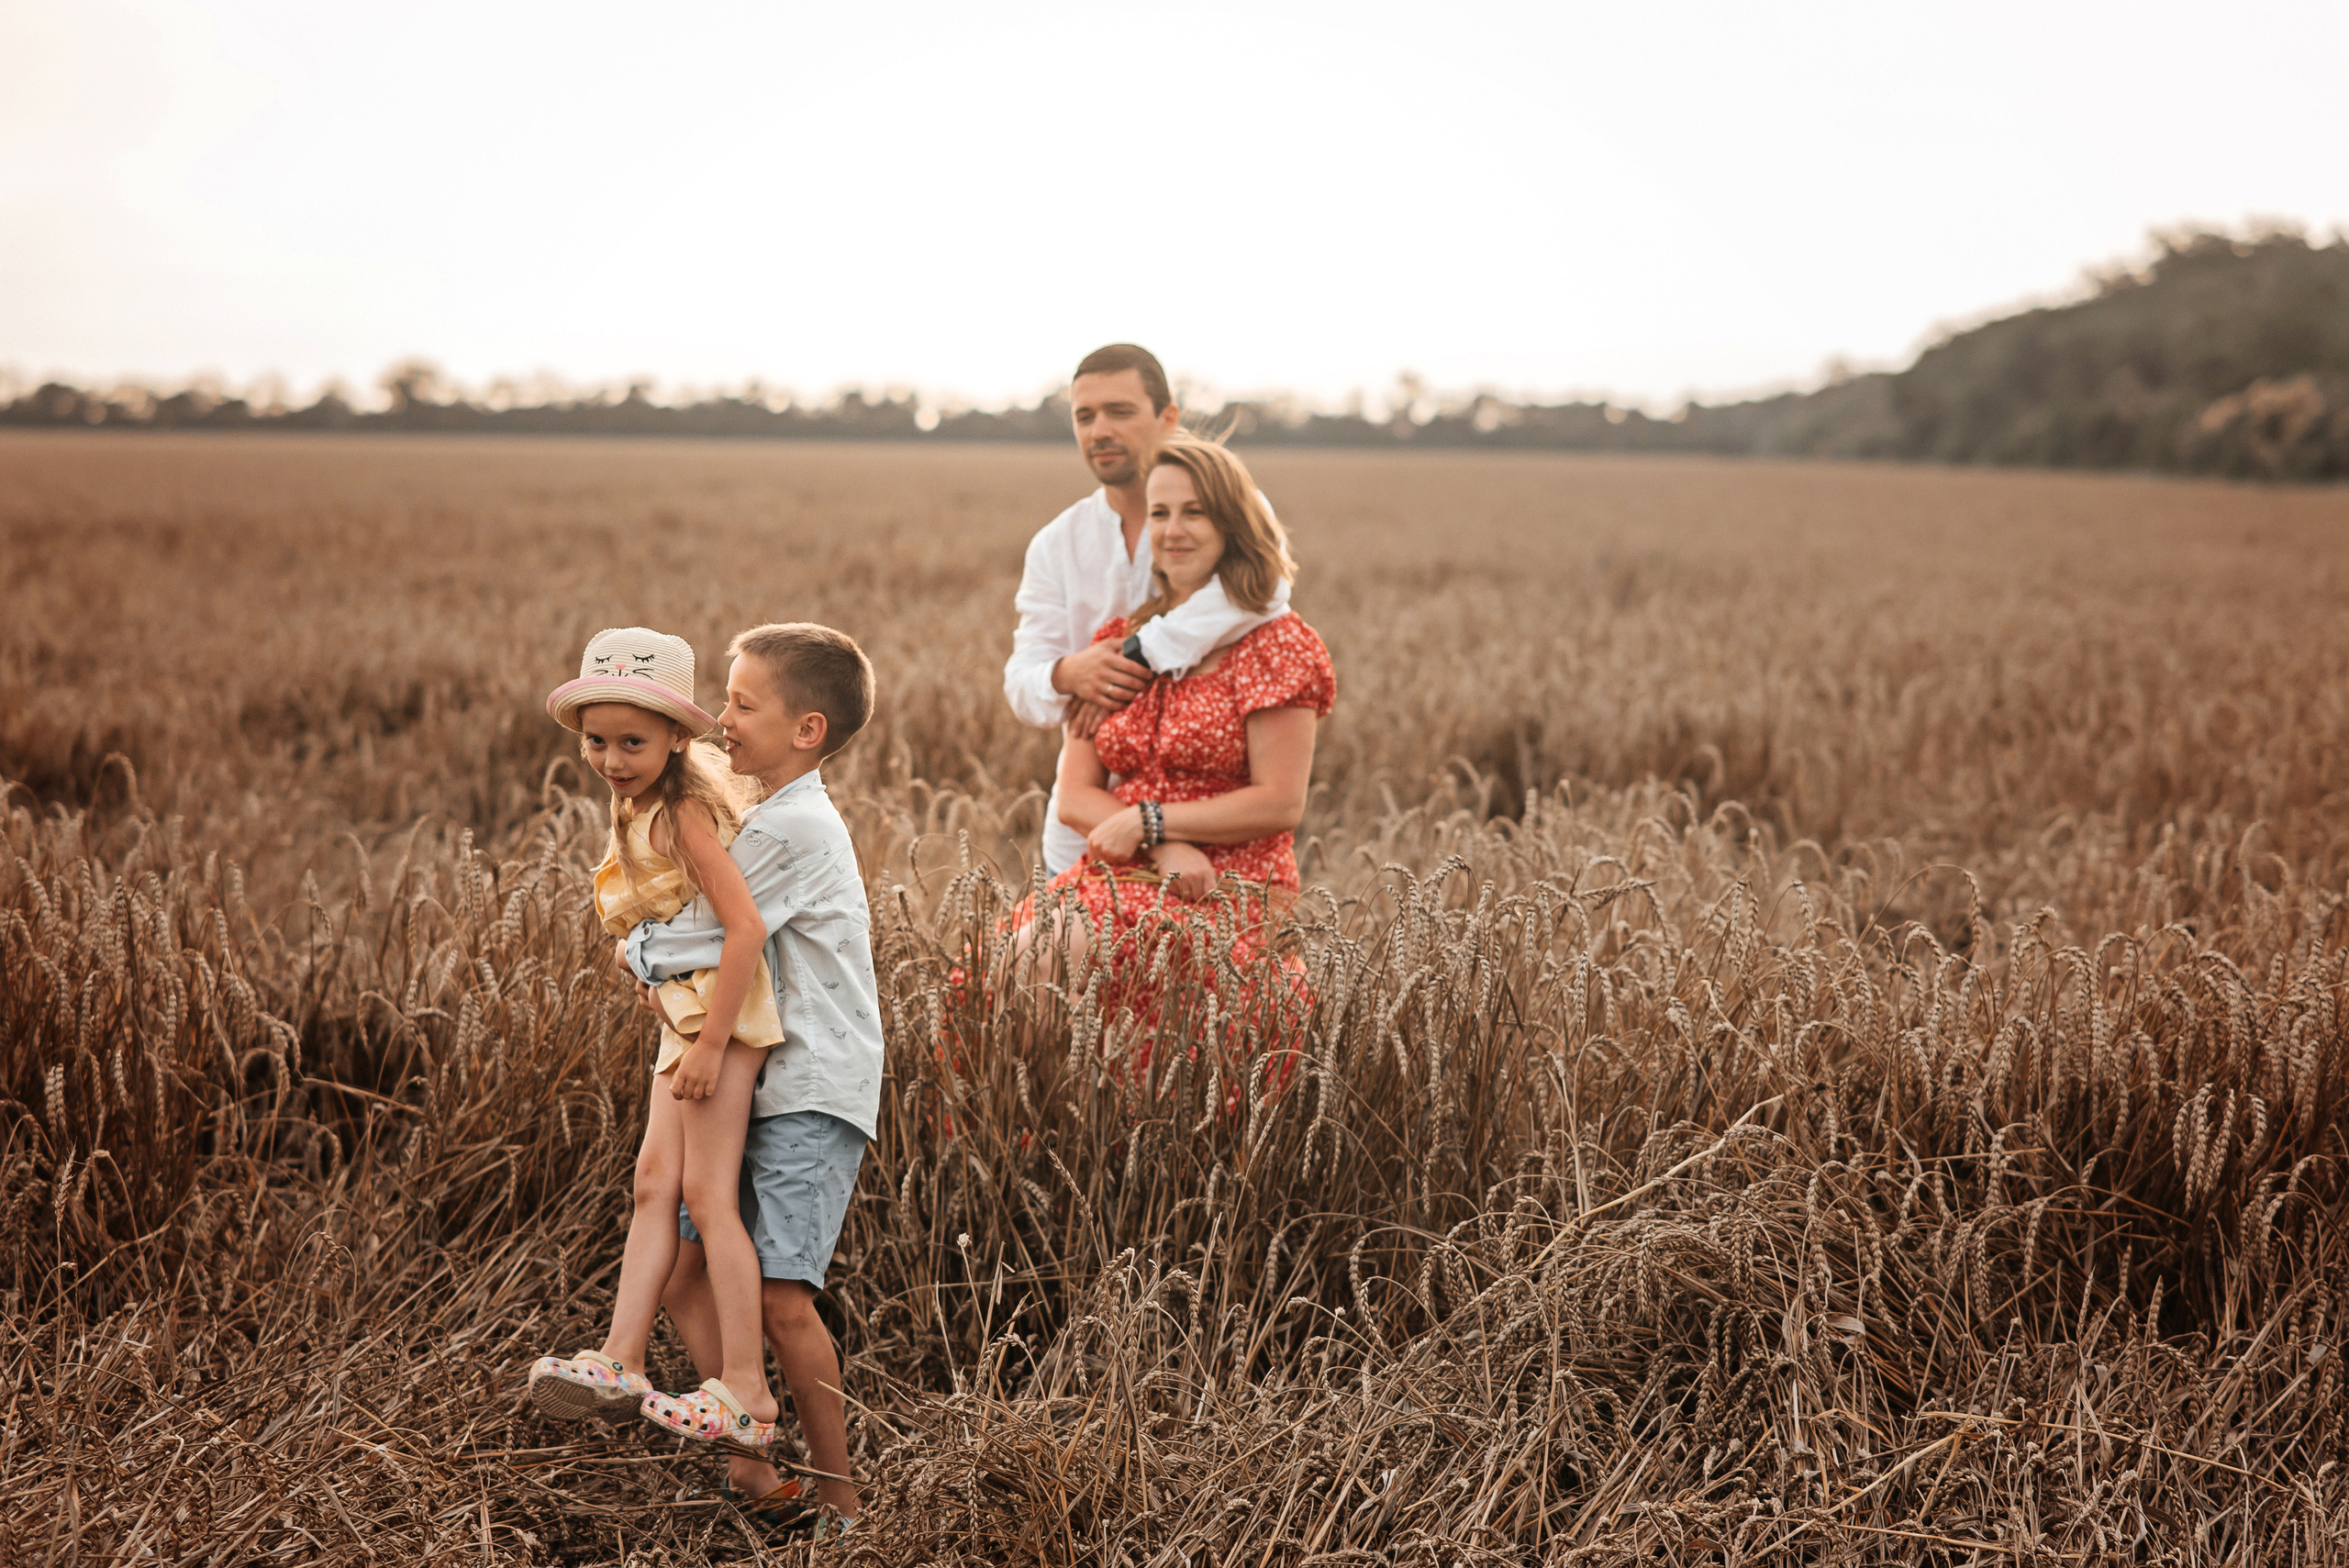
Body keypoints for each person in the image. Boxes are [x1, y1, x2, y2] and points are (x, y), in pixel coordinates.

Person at [625, 622, 883, 1542]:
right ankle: (753, 1463)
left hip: (809, 1081)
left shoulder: (792, 826)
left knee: (781, 1297)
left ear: (807, 729)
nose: (720, 718)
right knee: (685, 1270)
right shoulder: (765, 814)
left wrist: (632, 944)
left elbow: (702, 931)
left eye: (742, 703)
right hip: (756, 1076)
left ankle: (841, 1502)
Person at [525, 628, 786, 1452]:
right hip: (683, 1017)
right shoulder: (634, 808)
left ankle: (746, 1389)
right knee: (652, 1183)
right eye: (596, 740)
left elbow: (746, 929)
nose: (611, 758)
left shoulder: (679, 813)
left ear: (677, 736)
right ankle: (622, 1358)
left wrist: (711, 1045)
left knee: (706, 1198)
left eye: (631, 741)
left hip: (719, 1022)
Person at [1013, 436, 1334, 1039]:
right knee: (1008, 970)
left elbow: (1280, 801)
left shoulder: (1277, 645)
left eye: (1196, 511)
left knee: (1041, 957)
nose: (1173, 530)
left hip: (1228, 882)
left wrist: (1150, 821)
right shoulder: (1123, 643)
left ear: (1233, 523)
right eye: (1160, 513)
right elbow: (1074, 796)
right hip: (1124, 867)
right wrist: (1157, 842)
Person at [1004, 344, 1291, 876]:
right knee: (1057, 930)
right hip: (1086, 819)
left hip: (1208, 830)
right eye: (1084, 417)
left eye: (1120, 412)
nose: (1099, 431)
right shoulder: (1055, 544)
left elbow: (1262, 595)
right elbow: (1021, 683)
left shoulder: (1234, 518)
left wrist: (1129, 663)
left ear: (1168, 417)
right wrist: (1069, 674)